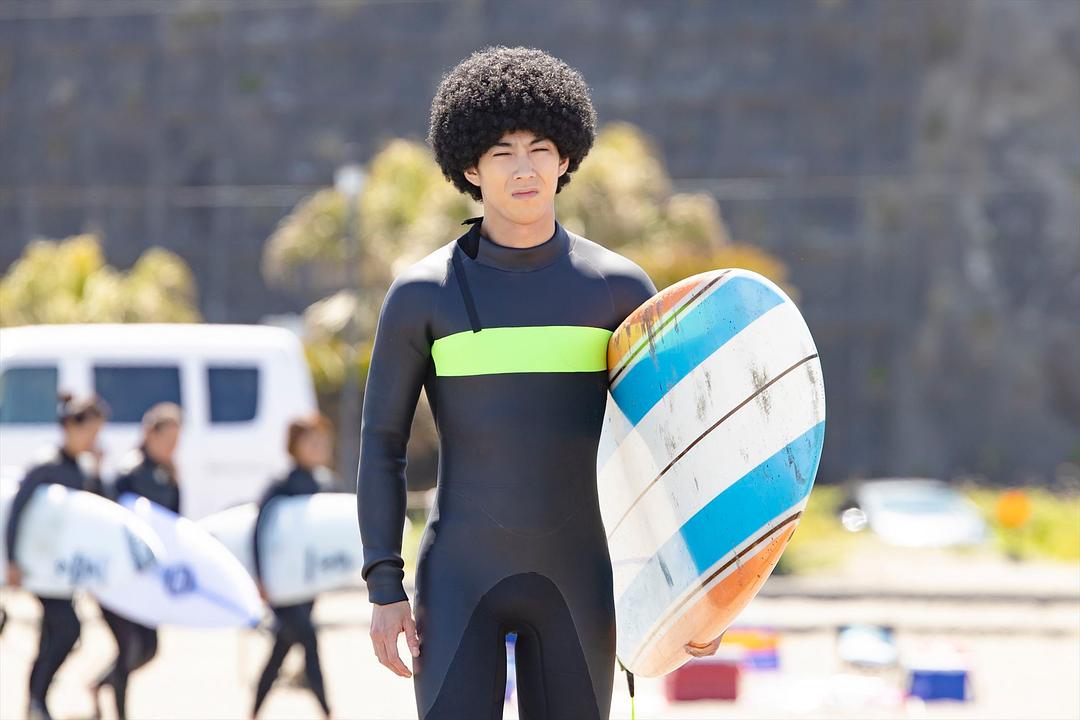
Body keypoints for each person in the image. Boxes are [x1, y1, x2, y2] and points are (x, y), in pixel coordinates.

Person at [357, 46, 705, 719]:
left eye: (540, 148)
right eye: (502, 153)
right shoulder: (425, 294)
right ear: (470, 168)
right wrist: (383, 587)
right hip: (458, 580)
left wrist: (696, 593)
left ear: (566, 157)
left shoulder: (618, 289)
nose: (524, 168)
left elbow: (666, 448)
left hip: (578, 580)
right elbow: (381, 446)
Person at [5, 392, 109, 720]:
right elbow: (18, 511)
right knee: (67, 628)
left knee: (53, 633)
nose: (93, 439)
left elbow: (100, 508)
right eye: (90, 431)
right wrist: (12, 559)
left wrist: (98, 469)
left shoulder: (80, 468)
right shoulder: (47, 465)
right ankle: (37, 699)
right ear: (71, 427)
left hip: (62, 568)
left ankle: (37, 702)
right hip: (38, 565)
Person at [91, 402, 183, 720]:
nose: (172, 447)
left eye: (176, 441)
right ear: (149, 434)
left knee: (149, 647)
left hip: (150, 576)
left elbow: (174, 523)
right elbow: (110, 515)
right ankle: (120, 712)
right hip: (122, 575)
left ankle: (100, 684)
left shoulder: (169, 475)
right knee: (128, 645)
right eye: (167, 439)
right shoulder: (130, 472)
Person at [249, 413, 334, 719]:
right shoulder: (281, 485)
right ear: (294, 445)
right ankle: (328, 712)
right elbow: (259, 531)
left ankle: (252, 712)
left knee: (279, 651)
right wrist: (261, 578)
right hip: (281, 584)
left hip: (307, 583)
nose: (318, 446)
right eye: (311, 441)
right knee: (309, 641)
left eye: (321, 441)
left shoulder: (323, 484)